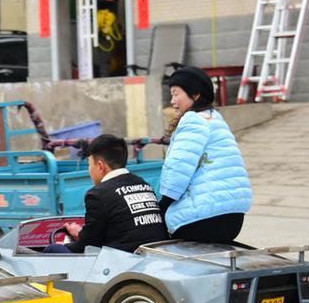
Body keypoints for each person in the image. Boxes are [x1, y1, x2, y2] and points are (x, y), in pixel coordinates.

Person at [159, 66, 252, 244]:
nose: (172, 101)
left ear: (195, 95)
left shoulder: (193, 120)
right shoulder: (215, 119)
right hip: (233, 217)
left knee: (152, 226)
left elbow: (178, 168)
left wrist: (162, 206)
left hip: (202, 219)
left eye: (176, 94)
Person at [46, 134, 167, 254]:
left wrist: (66, 244)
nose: (89, 169)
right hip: (153, 255)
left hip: (123, 263)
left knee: (54, 249)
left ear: (100, 166)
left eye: (89, 164)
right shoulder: (144, 185)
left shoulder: (98, 195)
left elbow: (87, 246)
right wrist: (81, 233)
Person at [91, 0, 117, 78]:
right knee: (94, 52)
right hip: (92, 22)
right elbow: (87, 1)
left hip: (106, 23)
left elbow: (110, 4)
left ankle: (105, 76)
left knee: (106, 51)